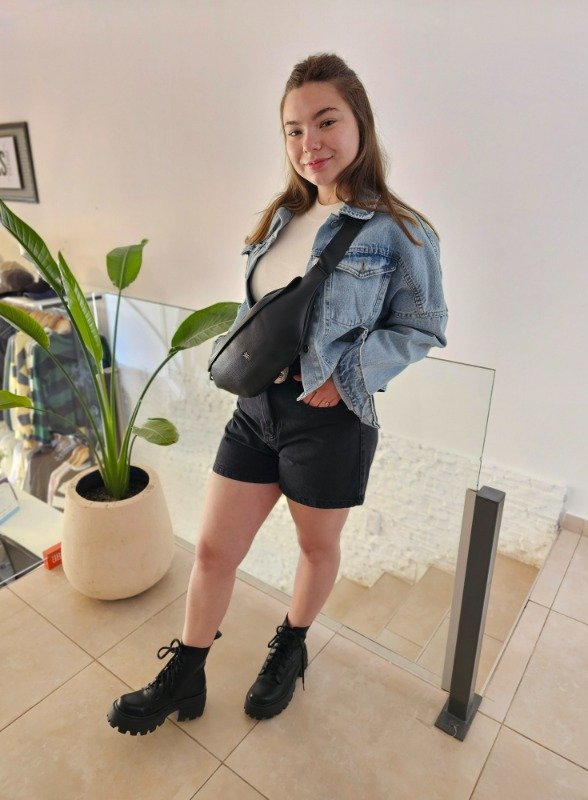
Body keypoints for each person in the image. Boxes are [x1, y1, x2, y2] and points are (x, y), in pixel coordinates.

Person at [107, 52, 448, 735]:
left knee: (315, 548)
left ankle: (290, 647)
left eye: (326, 121)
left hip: (330, 418)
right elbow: (261, 310)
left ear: (360, 123)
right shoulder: (279, 220)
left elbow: (422, 327)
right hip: (256, 411)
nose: (309, 142)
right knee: (213, 551)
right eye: (294, 129)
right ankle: (187, 673)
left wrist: (344, 377)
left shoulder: (400, 232)